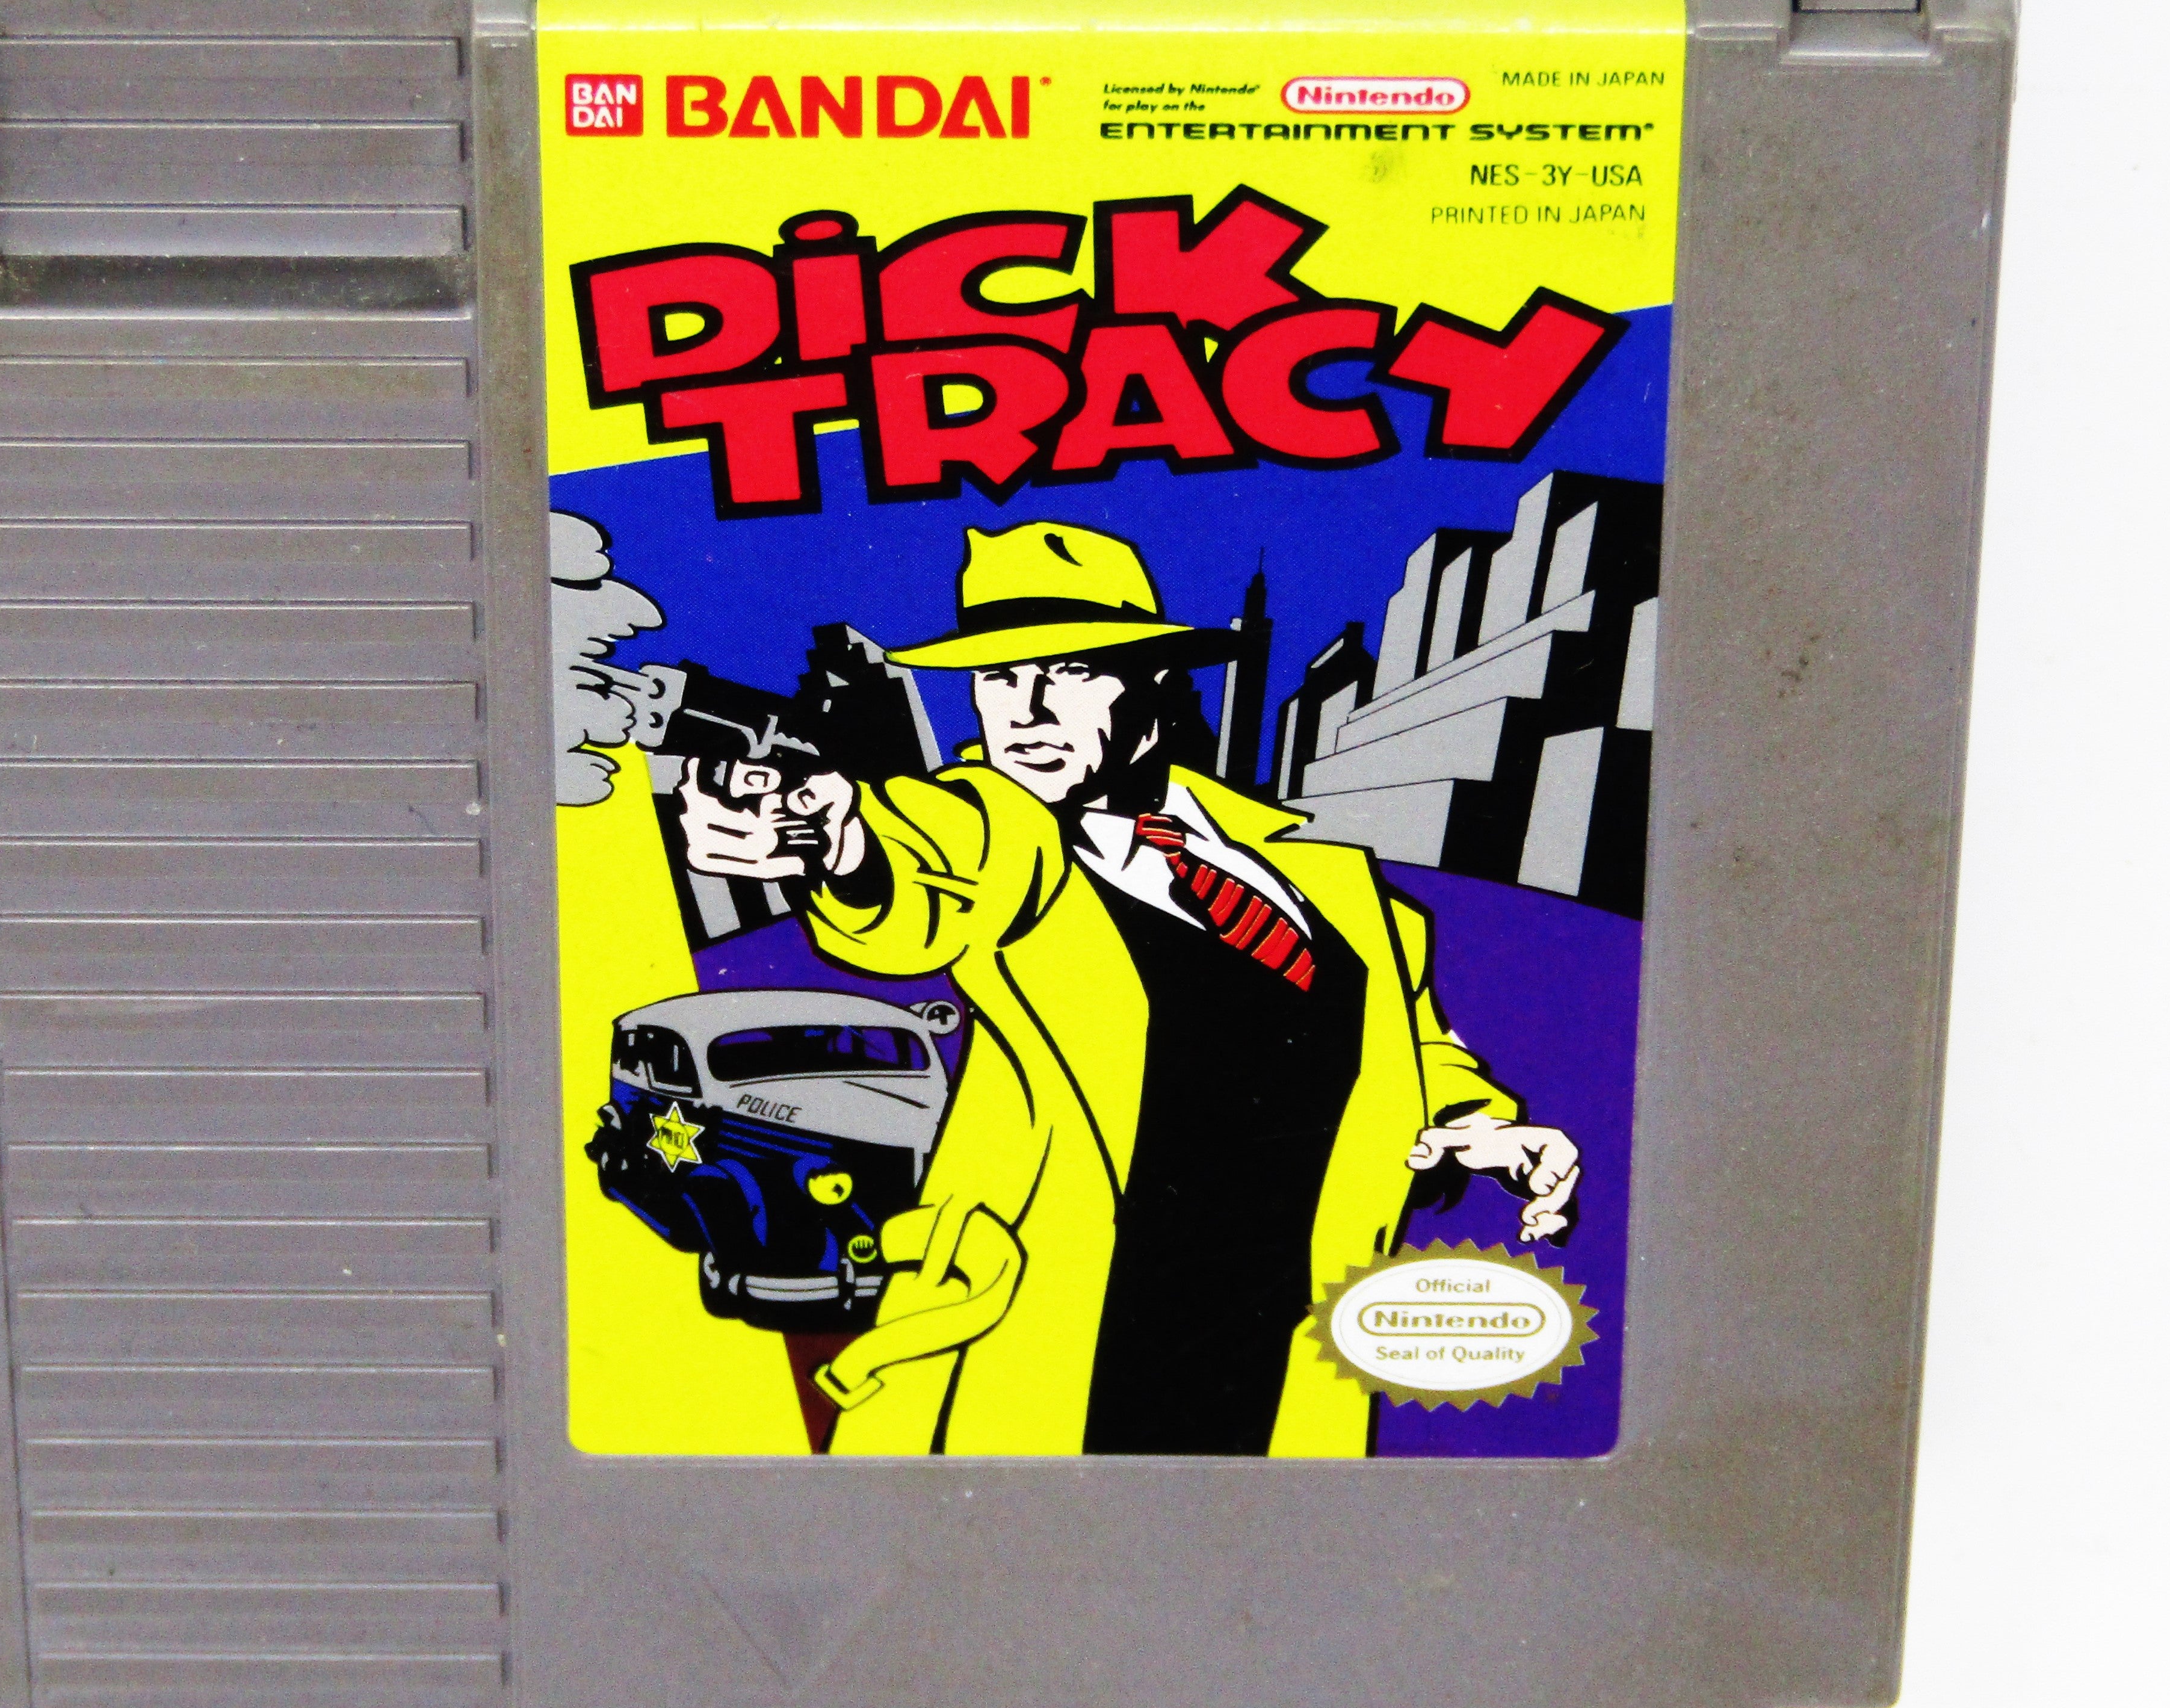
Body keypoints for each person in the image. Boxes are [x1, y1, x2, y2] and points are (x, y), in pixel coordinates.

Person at [676, 519, 1578, 1457]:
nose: (1025, 711)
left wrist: (1482, 1127)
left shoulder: (1334, 885)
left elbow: (1410, 1045)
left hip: (1282, 1370)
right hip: (1061, 1362)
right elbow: (928, 865)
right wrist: (843, 848)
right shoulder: (1012, 847)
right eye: (998, 678)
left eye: (1069, 671)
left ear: (1154, 678)